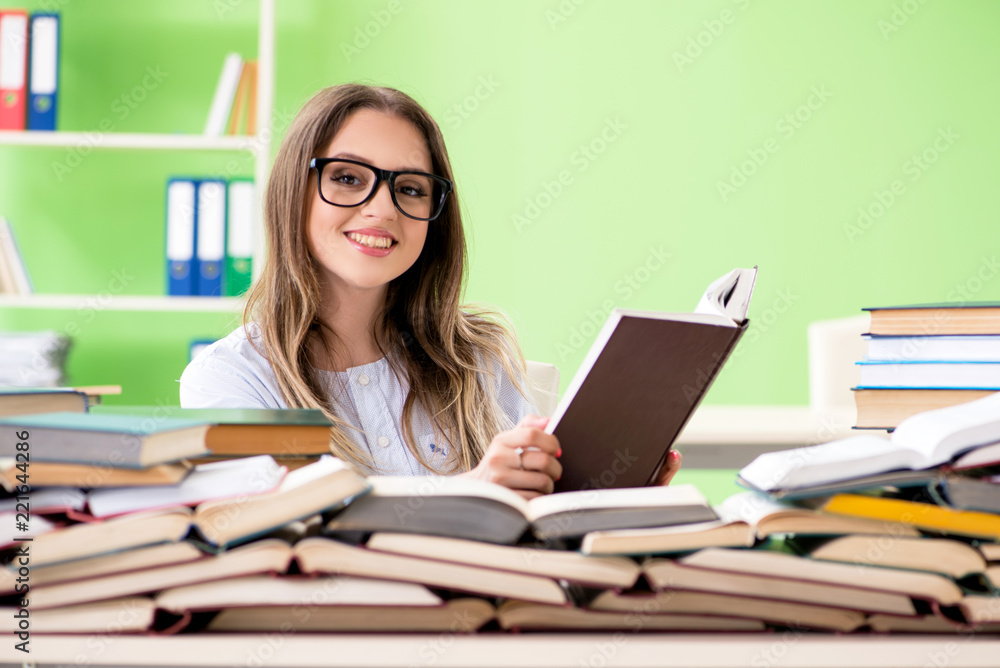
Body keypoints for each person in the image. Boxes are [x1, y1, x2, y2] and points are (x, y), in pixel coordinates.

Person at [180, 84, 681, 498]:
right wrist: (475, 488)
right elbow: (295, 531)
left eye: (411, 188)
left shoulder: (480, 359)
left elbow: (532, 521)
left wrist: (609, 490)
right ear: (293, 190)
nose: (382, 208)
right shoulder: (228, 379)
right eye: (349, 178)